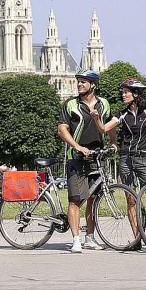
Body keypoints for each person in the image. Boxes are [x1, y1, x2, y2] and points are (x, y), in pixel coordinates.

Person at [90, 78, 146, 250]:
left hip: (144, 158)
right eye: (122, 92)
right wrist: (96, 119)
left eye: (126, 92)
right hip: (126, 159)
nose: (123, 94)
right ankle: (136, 239)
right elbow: (104, 129)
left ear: (136, 94)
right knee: (130, 200)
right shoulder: (122, 113)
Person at [58, 69, 112, 253]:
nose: (80, 84)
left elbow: (110, 125)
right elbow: (62, 129)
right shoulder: (70, 104)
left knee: (93, 200)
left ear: (93, 85)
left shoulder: (104, 104)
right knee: (75, 200)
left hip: (96, 157)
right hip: (77, 158)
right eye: (78, 81)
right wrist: (76, 146)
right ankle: (76, 239)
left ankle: (90, 237)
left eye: (84, 82)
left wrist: (113, 144)